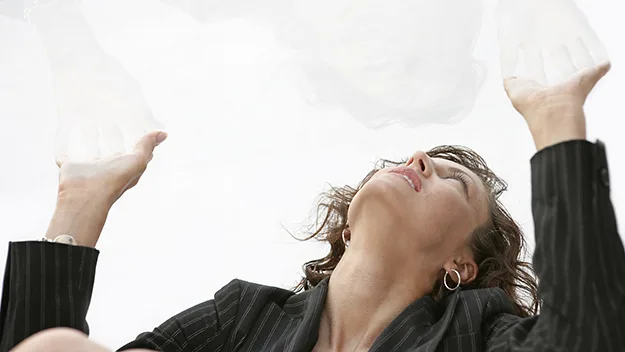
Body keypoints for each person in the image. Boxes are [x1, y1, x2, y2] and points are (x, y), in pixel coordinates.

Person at [1, 61, 624, 352]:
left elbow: (591, 337)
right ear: (349, 223)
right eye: (403, 160)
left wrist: (556, 118)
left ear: (461, 264)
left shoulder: (480, 338)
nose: (417, 160)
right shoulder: (244, 317)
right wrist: (77, 210)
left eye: (455, 182)